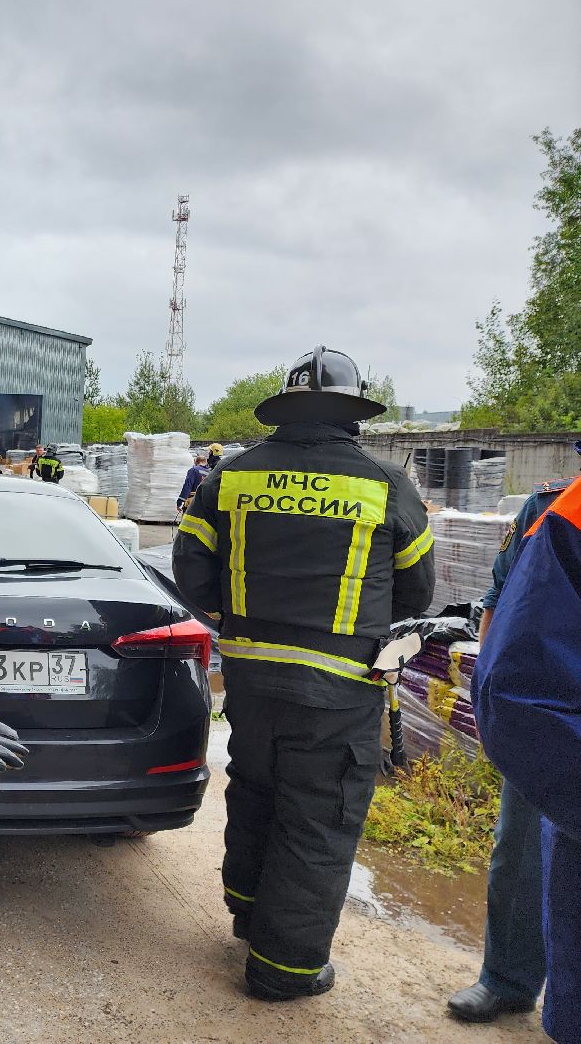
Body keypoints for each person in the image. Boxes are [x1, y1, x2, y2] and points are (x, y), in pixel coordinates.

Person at [173, 345, 435, 1001]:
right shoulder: (386, 486)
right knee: (319, 817)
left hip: (253, 683)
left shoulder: (228, 478)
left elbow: (190, 573)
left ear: (284, 411)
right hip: (339, 692)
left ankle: (248, 917)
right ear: (353, 416)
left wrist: (239, 618)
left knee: (256, 792)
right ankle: (284, 969)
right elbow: (417, 595)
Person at [448, 445, 581, 1026]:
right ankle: (507, 978)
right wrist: (496, 711)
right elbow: (501, 605)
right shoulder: (552, 508)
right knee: (521, 848)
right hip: (555, 716)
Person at [177, 452, 211, 518]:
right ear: (206, 462)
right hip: (206, 502)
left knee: (187, 521)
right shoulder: (211, 473)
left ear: (196, 462)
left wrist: (180, 501)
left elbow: (187, 486)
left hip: (192, 501)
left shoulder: (194, 470)